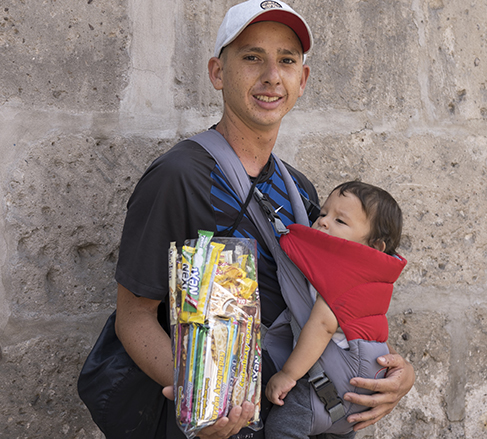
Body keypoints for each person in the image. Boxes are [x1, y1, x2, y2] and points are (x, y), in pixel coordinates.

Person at [113, 1, 415, 438]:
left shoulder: (302, 191)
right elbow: (134, 317)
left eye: (287, 61)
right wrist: (198, 400)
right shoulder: (179, 177)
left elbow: (337, 298)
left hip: (290, 414)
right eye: (253, 57)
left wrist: (396, 373)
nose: (272, 75)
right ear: (218, 72)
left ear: (302, 80)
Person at [264, 181, 406, 438]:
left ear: (374, 247)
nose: (323, 222)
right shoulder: (372, 280)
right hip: (359, 395)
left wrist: (287, 374)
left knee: (281, 428)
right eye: (322, 214)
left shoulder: (342, 276)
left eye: (340, 221)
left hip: (330, 386)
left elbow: (322, 325)